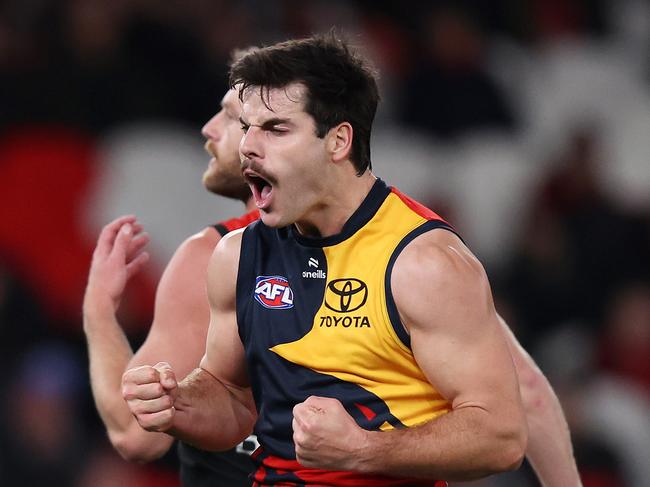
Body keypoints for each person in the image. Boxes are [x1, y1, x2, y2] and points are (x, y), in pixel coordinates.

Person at [120, 34, 583, 486]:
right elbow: (234, 399)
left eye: (276, 129)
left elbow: (501, 438)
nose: (248, 148)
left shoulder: (424, 264)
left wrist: (362, 449)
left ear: (339, 141)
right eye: (247, 128)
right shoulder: (237, 255)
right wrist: (177, 404)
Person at [83, 81, 259, 485]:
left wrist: (98, 312)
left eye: (232, 117)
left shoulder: (216, 255)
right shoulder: (407, 245)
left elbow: (136, 435)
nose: (209, 128)